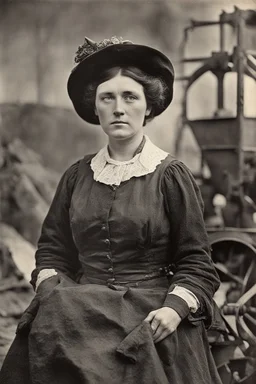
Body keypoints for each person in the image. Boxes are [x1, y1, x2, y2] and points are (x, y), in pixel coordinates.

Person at [0, 36, 223, 384]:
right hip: (78, 315)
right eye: (108, 98)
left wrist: (174, 310)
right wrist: (53, 294)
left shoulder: (170, 175)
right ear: (96, 107)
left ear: (148, 106)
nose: (118, 108)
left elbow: (197, 261)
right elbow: (52, 249)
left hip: (151, 316)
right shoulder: (76, 176)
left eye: (130, 97)